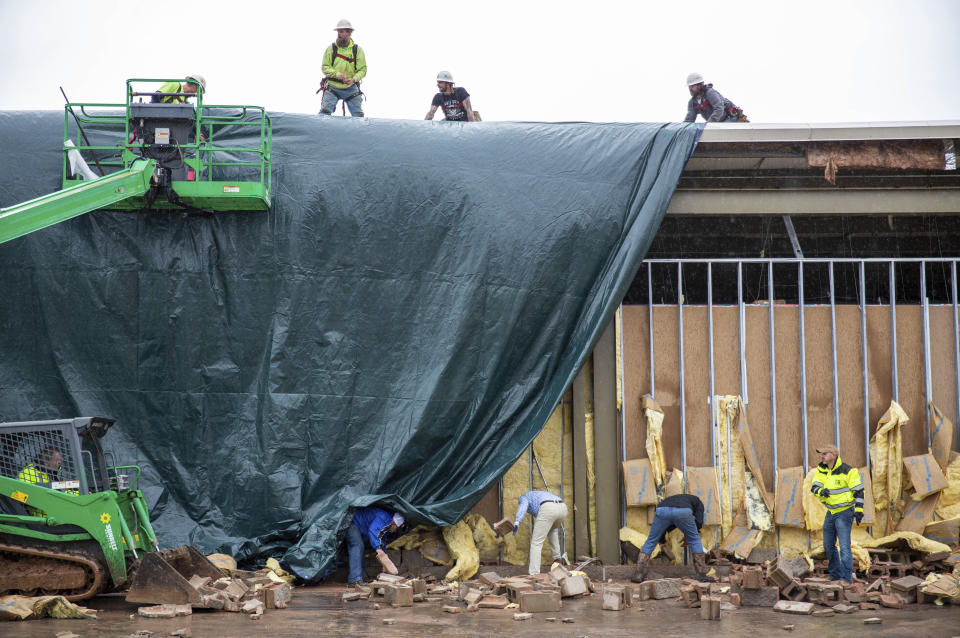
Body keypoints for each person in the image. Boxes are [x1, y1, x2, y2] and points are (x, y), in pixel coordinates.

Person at [811, 444, 863, 583]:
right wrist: (821, 491)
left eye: (824, 454)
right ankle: (835, 575)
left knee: (845, 547)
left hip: (845, 513)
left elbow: (858, 491)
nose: (822, 456)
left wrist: (858, 511)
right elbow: (814, 486)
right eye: (821, 454)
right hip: (831, 512)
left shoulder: (848, 471)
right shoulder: (822, 469)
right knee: (828, 545)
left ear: (833, 455)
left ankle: (846, 579)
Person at [631, 493, 709, 583]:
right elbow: (698, 522)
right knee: (694, 540)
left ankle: (638, 573)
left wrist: (662, 541)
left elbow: (664, 527)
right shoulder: (698, 502)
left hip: (661, 510)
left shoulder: (671, 499)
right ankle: (701, 574)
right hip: (683, 511)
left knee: (651, 540)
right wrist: (690, 536)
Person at [512, 490, 568, 575]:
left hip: (548, 507)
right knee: (552, 531)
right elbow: (551, 525)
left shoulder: (523, 497)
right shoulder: (539, 494)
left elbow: (523, 507)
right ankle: (558, 561)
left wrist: (517, 521)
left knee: (536, 543)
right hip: (562, 508)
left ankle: (534, 574)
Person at [320, 19, 367, 117]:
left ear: (349, 32)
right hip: (332, 86)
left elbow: (362, 70)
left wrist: (354, 79)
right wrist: (337, 74)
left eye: (342, 32)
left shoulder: (357, 50)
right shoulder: (331, 49)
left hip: (351, 88)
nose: (339, 34)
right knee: (324, 113)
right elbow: (325, 67)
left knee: (358, 116)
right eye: (339, 31)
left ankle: (358, 132)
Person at [347, 506, 404, 585]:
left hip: (360, 526)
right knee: (357, 546)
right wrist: (378, 548)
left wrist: (384, 562)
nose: (396, 530)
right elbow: (372, 531)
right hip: (353, 522)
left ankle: (360, 577)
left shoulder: (387, 525)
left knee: (361, 548)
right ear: (394, 523)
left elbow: (382, 540)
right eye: (397, 527)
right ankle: (354, 580)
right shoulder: (384, 518)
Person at [17, 447, 64, 517]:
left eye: (60, 460)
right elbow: (19, 497)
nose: (60, 462)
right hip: (38, 520)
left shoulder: (54, 474)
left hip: (56, 518)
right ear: (46, 462)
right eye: (56, 460)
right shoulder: (28, 473)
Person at [683, 73, 747, 123]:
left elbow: (719, 108)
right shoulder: (693, 102)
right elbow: (689, 119)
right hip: (717, 124)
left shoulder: (710, 93)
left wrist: (709, 124)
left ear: (698, 85)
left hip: (730, 119)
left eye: (691, 86)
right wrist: (681, 129)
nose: (690, 89)